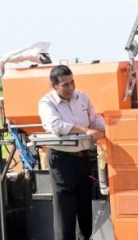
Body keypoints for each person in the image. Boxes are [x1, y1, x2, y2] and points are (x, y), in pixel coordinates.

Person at [38, 65, 105, 240]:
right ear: (54, 86)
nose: (71, 88)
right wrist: (85, 130)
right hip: (62, 161)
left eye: (72, 82)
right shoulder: (47, 103)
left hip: (83, 159)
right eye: (65, 85)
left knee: (84, 208)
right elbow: (56, 126)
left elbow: (94, 119)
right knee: (65, 211)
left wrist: (112, 127)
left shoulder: (81, 97)